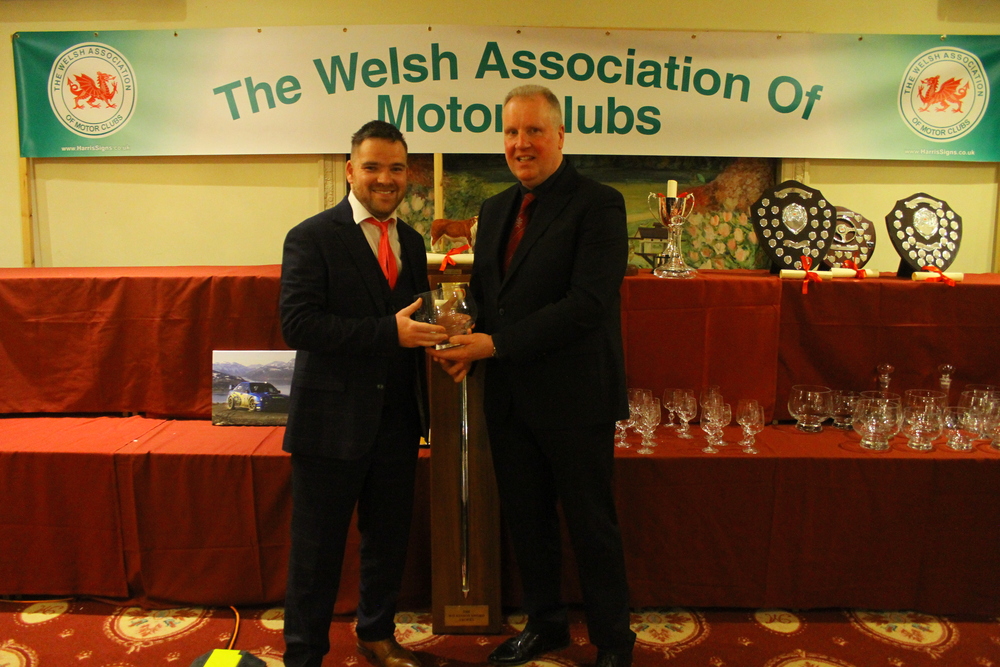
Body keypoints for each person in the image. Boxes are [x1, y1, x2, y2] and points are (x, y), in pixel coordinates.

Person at [430, 85, 636, 667]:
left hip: (576, 400)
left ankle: (614, 642)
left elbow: (588, 303)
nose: (521, 144)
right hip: (510, 397)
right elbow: (491, 295)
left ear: (560, 136)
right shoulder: (496, 209)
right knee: (528, 521)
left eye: (534, 131)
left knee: (591, 526)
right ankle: (546, 626)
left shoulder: (600, 204)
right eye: (511, 132)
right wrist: (463, 328)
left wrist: (494, 343)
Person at [280, 120, 447, 667]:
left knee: (387, 541)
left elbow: (415, 322)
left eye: (396, 168)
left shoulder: (413, 242)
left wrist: (449, 338)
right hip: (329, 423)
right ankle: (304, 654)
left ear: (407, 175)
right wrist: (387, 333)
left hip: (397, 421)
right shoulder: (311, 236)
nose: (385, 178)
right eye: (372, 166)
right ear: (351, 171)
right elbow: (298, 325)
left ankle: (377, 635)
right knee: (316, 551)